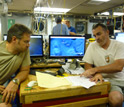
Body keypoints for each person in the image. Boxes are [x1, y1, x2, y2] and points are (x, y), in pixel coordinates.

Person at [81, 23, 124, 107]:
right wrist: (97, 73)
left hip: (119, 80)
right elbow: (87, 65)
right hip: (104, 82)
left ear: (107, 32)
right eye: (94, 35)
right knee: (115, 99)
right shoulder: (92, 46)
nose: (96, 38)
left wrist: (96, 69)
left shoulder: (119, 45)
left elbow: (118, 66)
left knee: (116, 99)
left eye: (99, 34)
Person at [0, 24, 32, 107]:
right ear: (14, 39)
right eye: (26, 41)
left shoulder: (24, 50)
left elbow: (25, 70)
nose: (28, 44)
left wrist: (15, 82)